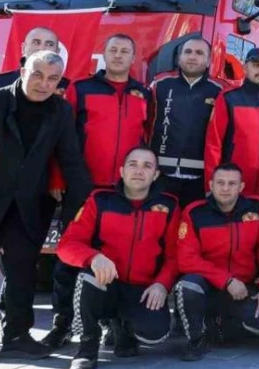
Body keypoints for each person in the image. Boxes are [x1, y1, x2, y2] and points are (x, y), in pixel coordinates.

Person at [0, 51, 92, 360]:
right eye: (38, 74)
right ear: (22, 70)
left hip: (28, 208)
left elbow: (71, 161)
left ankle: (16, 336)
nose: (44, 84)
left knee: (22, 275)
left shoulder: (60, 111)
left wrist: (83, 212)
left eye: (53, 78)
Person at [47, 33, 151, 349]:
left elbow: (146, 141)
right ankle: (62, 324)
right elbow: (62, 137)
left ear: (134, 58)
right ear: (103, 55)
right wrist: (57, 179)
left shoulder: (143, 94)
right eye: (113, 50)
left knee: (119, 258)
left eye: (125, 51)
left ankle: (114, 325)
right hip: (84, 187)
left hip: (124, 191)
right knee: (69, 259)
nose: (118, 55)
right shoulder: (82, 88)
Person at [57, 147, 180, 369]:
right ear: (122, 171)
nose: (139, 171)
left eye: (147, 166)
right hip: (106, 283)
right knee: (87, 278)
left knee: (155, 334)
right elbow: (66, 245)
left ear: (156, 175)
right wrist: (93, 257)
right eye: (133, 164)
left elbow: (174, 255)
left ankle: (122, 327)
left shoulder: (169, 206)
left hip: (141, 289)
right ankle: (87, 349)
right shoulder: (100, 200)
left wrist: (162, 284)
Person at [175, 162, 259, 361]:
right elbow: (186, 259)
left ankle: (219, 327)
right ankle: (197, 338)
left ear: (241, 187)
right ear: (211, 185)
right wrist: (226, 280)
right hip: (208, 286)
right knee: (187, 286)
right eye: (220, 183)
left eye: (232, 184)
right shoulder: (194, 213)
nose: (225, 188)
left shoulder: (256, 208)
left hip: (244, 288)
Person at [149, 37, 229, 206]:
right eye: (188, 52)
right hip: (160, 176)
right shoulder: (160, 84)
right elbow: (145, 123)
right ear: (179, 58)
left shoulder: (221, 90)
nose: (192, 57)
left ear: (208, 61)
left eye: (199, 53)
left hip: (199, 181)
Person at [204, 47, 259, 196]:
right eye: (256, 65)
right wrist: (210, 186)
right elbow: (214, 144)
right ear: (245, 67)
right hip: (233, 188)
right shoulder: (229, 98)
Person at [0, 26, 70, 94]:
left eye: (49, 44)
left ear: (57, 51)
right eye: (36, 42)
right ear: (23, 48)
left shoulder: (66, 86)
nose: (42, 48)